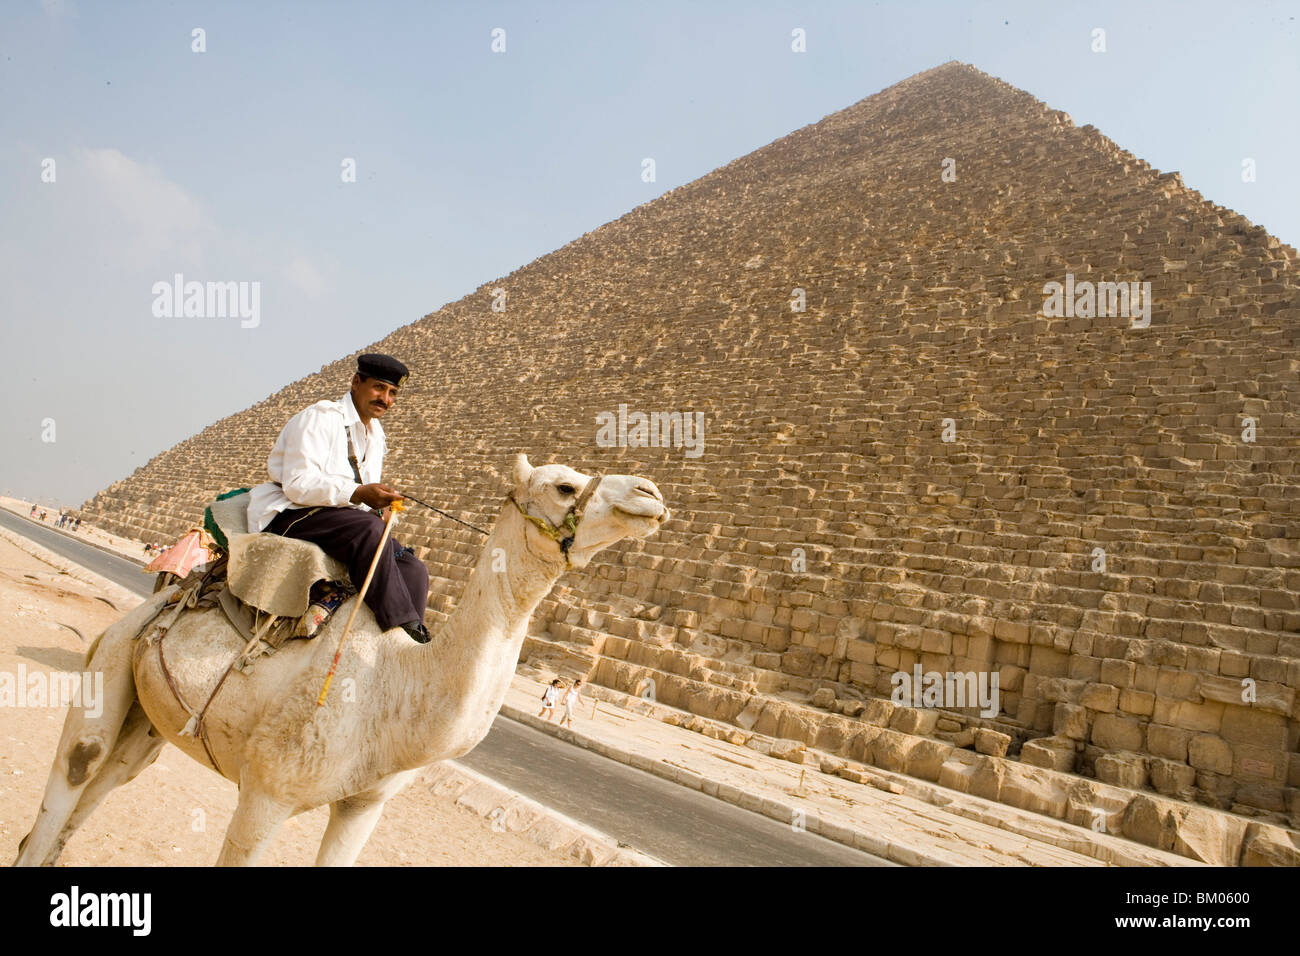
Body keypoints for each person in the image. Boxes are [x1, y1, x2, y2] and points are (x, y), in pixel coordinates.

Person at [245, 353, 431, 643]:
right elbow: (297, 484)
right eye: (379, 388)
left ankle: (401, 642)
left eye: (393, 393)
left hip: (340, 520)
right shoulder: (321, 418)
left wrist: (378, 504)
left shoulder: (375, 434)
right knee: (371, 531)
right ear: (357, 382)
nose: (386, 399)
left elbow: (363, 492)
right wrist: (359, 493)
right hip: (293, 513)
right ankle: (404, 633)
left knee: (413, 567)